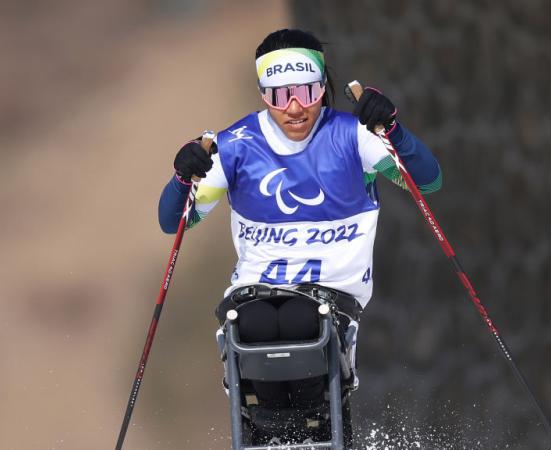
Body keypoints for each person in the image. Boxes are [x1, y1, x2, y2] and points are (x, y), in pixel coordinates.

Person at [157, 28, 442, 437]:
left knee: (299, 318)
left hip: (330, 292)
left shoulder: (352, 135)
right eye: (279, 96)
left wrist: (392, 129)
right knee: (255, 323)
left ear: (322, 88)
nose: (294, 108)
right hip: (256, 291)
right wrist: (182, 177)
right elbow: (174, 222)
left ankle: (315, 424)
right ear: (263, 95)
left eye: (307, 93)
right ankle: (273, 429)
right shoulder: (235, 146)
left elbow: (427, 181)